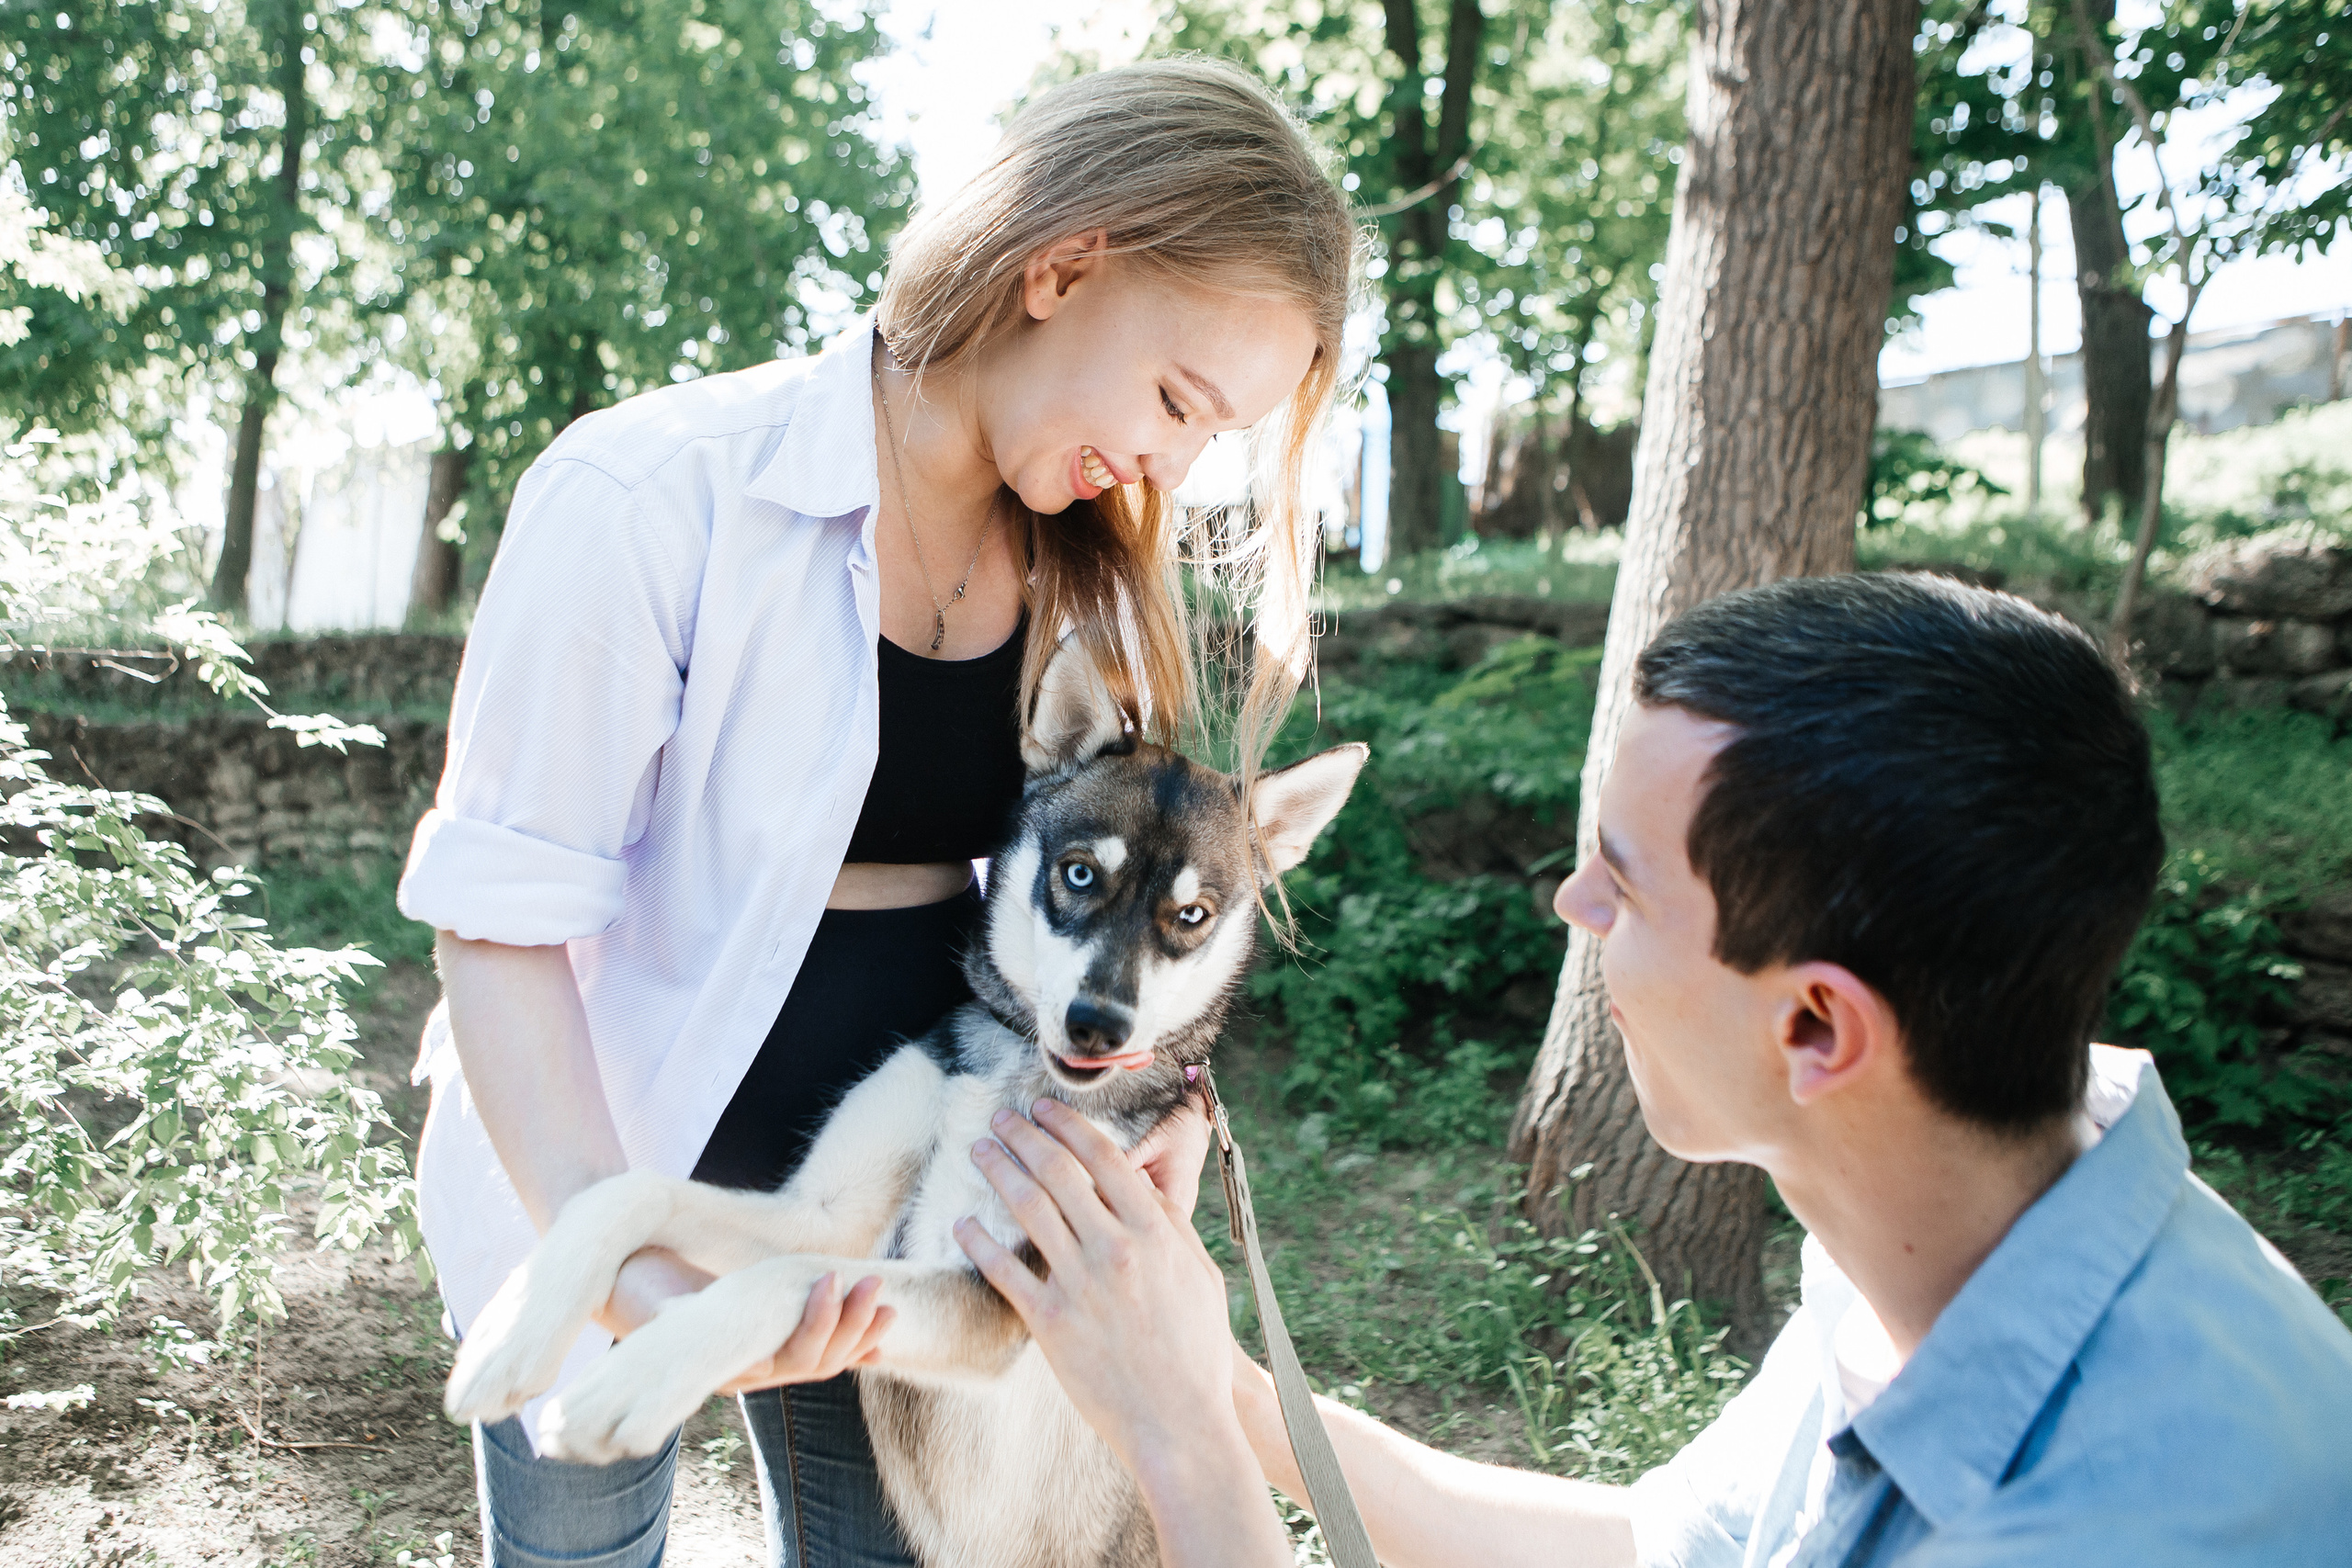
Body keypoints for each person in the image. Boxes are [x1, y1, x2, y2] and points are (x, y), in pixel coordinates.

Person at [395, 58, 1352, 1568]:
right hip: (614, 1124)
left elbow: (1137, 898)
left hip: (925, 1153)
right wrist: (629, 1278)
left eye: (1212, 435)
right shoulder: (648, 494)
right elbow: (497, 927)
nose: (1176, 465)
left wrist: (1146, 1104)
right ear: (1063, 263)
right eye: (1177, 399)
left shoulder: (1088, 571)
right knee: (578, 1543)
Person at [957, 571, 2352, 1567]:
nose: (1569, 907)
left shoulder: (2109, 1522)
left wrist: (1180, 1444)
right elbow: (1652, 1543)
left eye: (1621, 889)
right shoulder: (1978, 1238)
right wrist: (1217, 1386)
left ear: (1816, 1030)